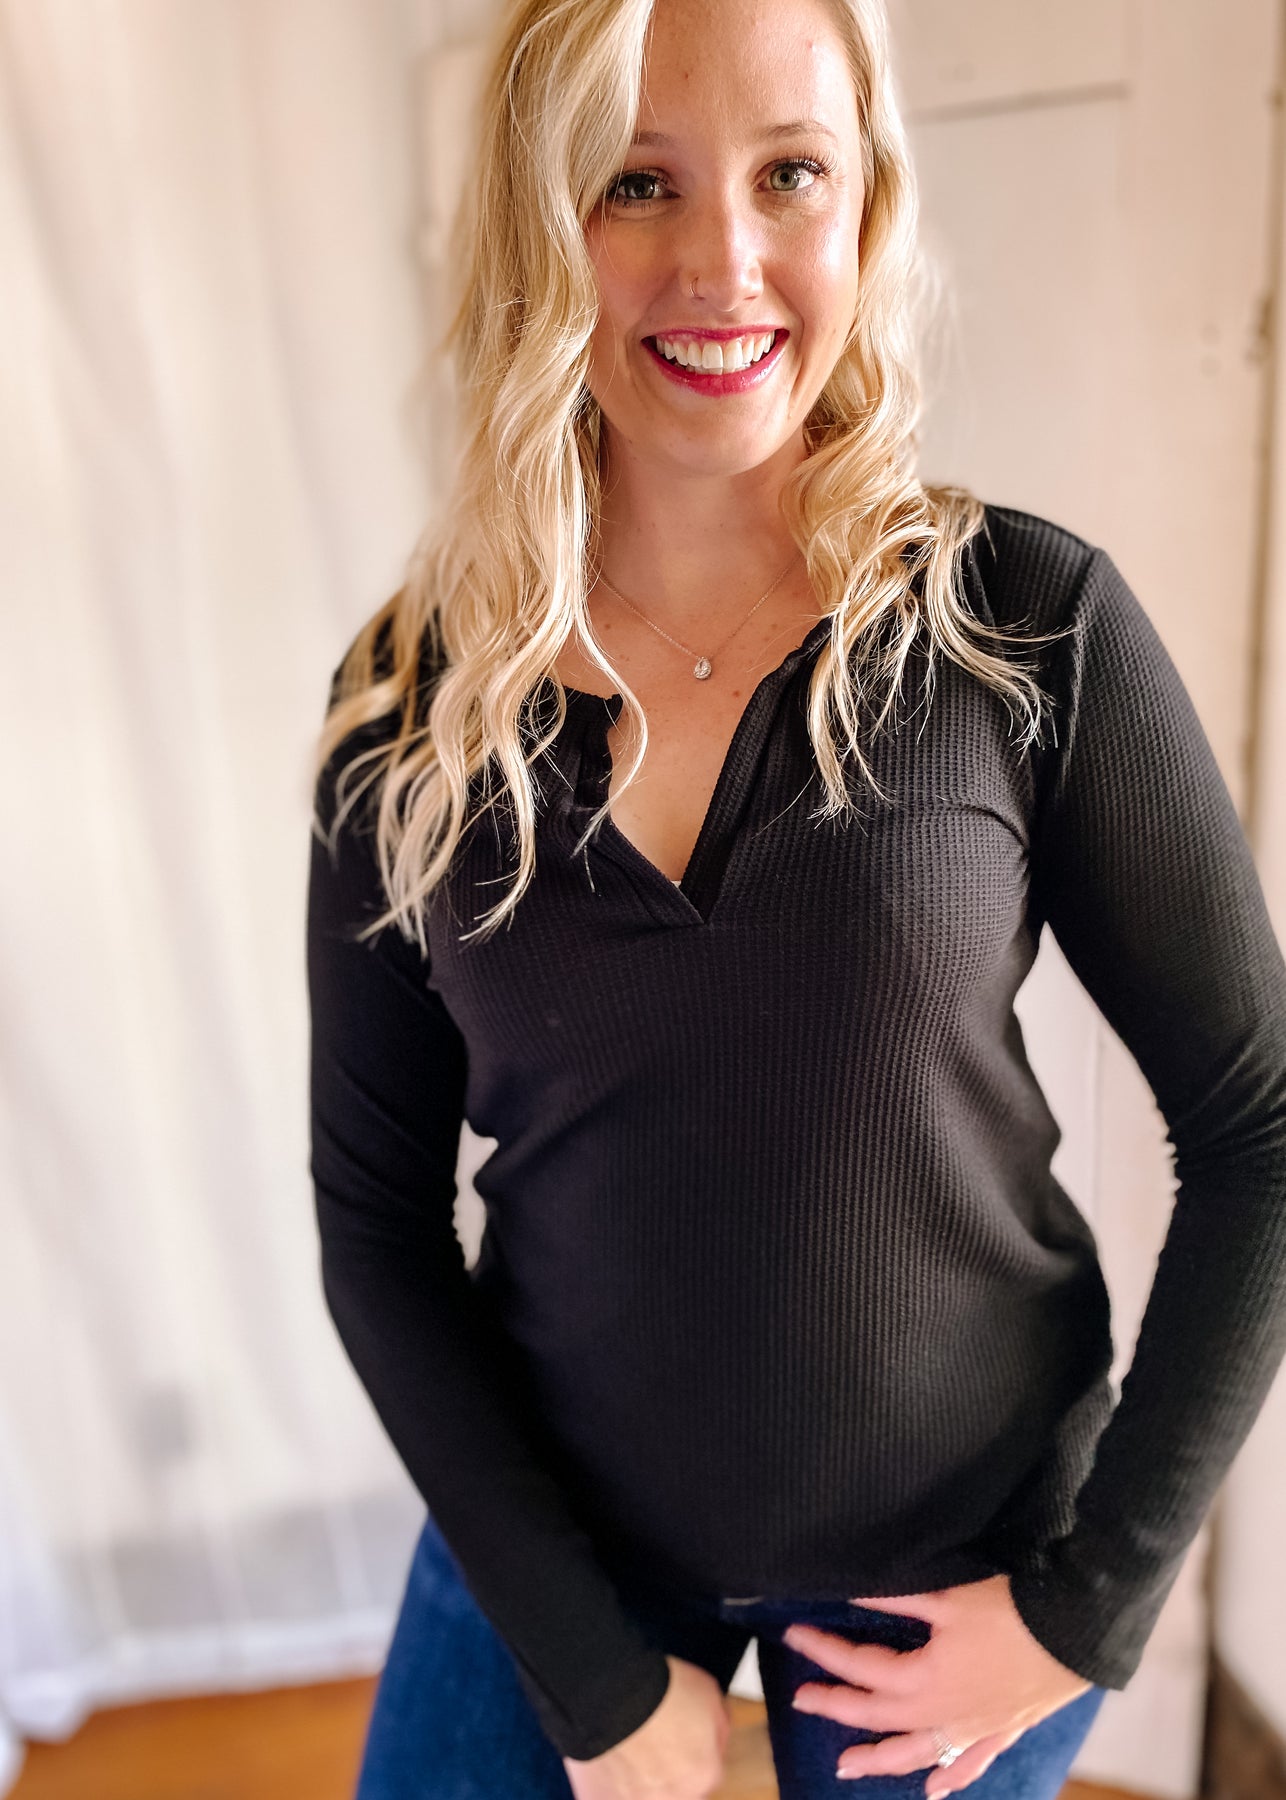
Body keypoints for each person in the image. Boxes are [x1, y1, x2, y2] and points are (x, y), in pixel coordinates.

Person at [305, 0, 1286, 1794]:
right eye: (637, 182)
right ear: (538, 217)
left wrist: (1088, 1607)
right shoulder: (412, 699)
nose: (723, 263)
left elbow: (1260, 1126)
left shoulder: (1021, 622)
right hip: (562, 1542)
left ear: (866, 207)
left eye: (789, 175)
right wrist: (594, 1682)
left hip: (956, 1554)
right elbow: (376, 1220)